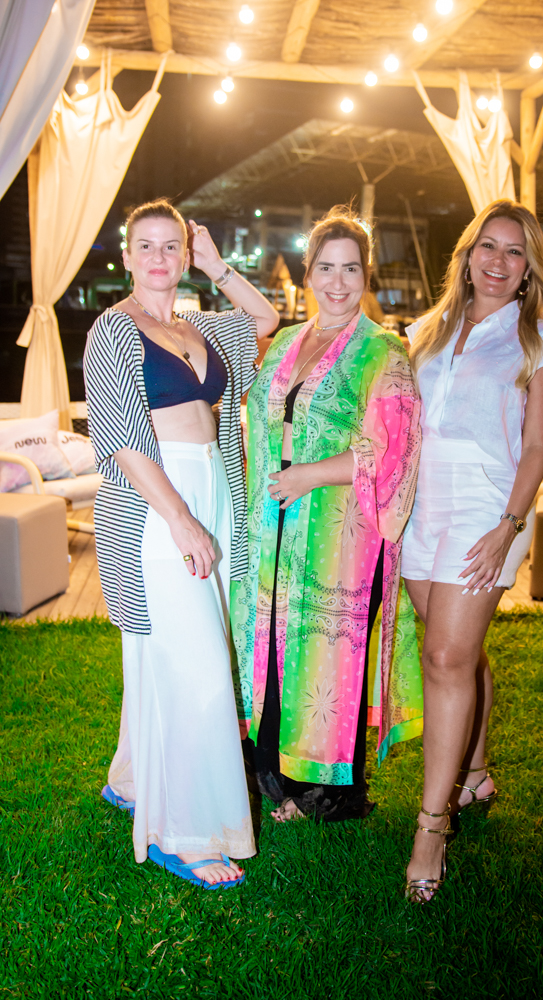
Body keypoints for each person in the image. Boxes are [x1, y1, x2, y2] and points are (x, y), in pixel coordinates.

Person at [83, 198, 279, 889]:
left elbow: (264, 320)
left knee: (177, 646)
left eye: (173, 246)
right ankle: (183, 832)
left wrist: (219, 267)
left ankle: (131, 778)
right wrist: (179, 518)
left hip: (213, 491)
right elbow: (121, 439)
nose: (160, 257)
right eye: (147, 246)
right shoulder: (113, 329)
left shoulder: (201, 323)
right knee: (196, 659)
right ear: (127, 257)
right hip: (155, 503)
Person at [402, 199, 543, 903]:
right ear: (467, 254)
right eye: (488, 247)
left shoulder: (542, 343)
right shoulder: (424, 331)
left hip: (487, 505)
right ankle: (474, 773)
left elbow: (536, 447)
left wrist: (509, 525)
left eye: (515, 252)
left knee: (445, 657)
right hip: (422, 503)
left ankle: (431, 827)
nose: (499, 262)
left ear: (530, 268)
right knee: (458, 650)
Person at [232, 206, 423, 823]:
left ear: (366, 275)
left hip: (340, 529)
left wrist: (308, 475)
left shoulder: (383, 352)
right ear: (307, 271)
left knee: (328, 655)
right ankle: (275, 775)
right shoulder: (287, 341)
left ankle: (324, 791)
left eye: (351, 269)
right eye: (325, 268)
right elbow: (254, 414)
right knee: (274, 646)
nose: (337, 283)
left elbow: (390, 447)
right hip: (276, 523)